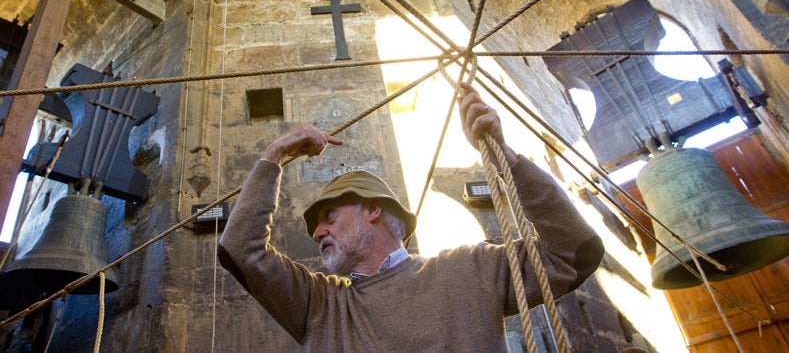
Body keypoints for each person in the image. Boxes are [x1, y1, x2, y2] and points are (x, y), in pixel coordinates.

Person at [218, 82, 604, 351]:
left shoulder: (470, 270)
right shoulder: (320, 305)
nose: (317, 232)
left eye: (330, 216)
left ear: (373, 210)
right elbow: (241, 250)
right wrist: (274, 155)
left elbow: (574, 252)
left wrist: (507, 156)